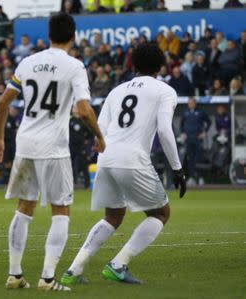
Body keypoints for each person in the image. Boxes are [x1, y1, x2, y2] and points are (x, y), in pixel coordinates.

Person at [0, 13, 105, 291]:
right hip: (53, 147)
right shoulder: (75, 66)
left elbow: (4, 101)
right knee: (61, 210)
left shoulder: (28, 62)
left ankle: (15, 274)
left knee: (24, 208)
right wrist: (99, 135)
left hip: (25, 143)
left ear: (49, 34)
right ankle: (48, 278)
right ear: (73, 36)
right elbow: (84, 108)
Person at [60, 43, 186, 286]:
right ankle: (118, 264)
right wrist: (177, 168)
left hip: (106, 158)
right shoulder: (165, 90)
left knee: (113, 215)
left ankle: (73, 270)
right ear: (161, 66)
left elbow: (102, 131)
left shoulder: (116, 91)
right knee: (161, 212)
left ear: (133, 65)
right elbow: (164, 130)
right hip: (132, 159)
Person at [180, 97, 211, 186]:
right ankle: (192, 178)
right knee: (190, 159)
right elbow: (181, 124)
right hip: (188, 139)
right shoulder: (185, 112)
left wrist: (204, 132)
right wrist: (183, 133)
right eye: (189, 103)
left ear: (195, 103)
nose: (190, 104)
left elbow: (209, 122)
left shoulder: (201, 112)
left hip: (198, 139)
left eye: (192, 102)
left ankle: (200, 177)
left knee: (199, 158)